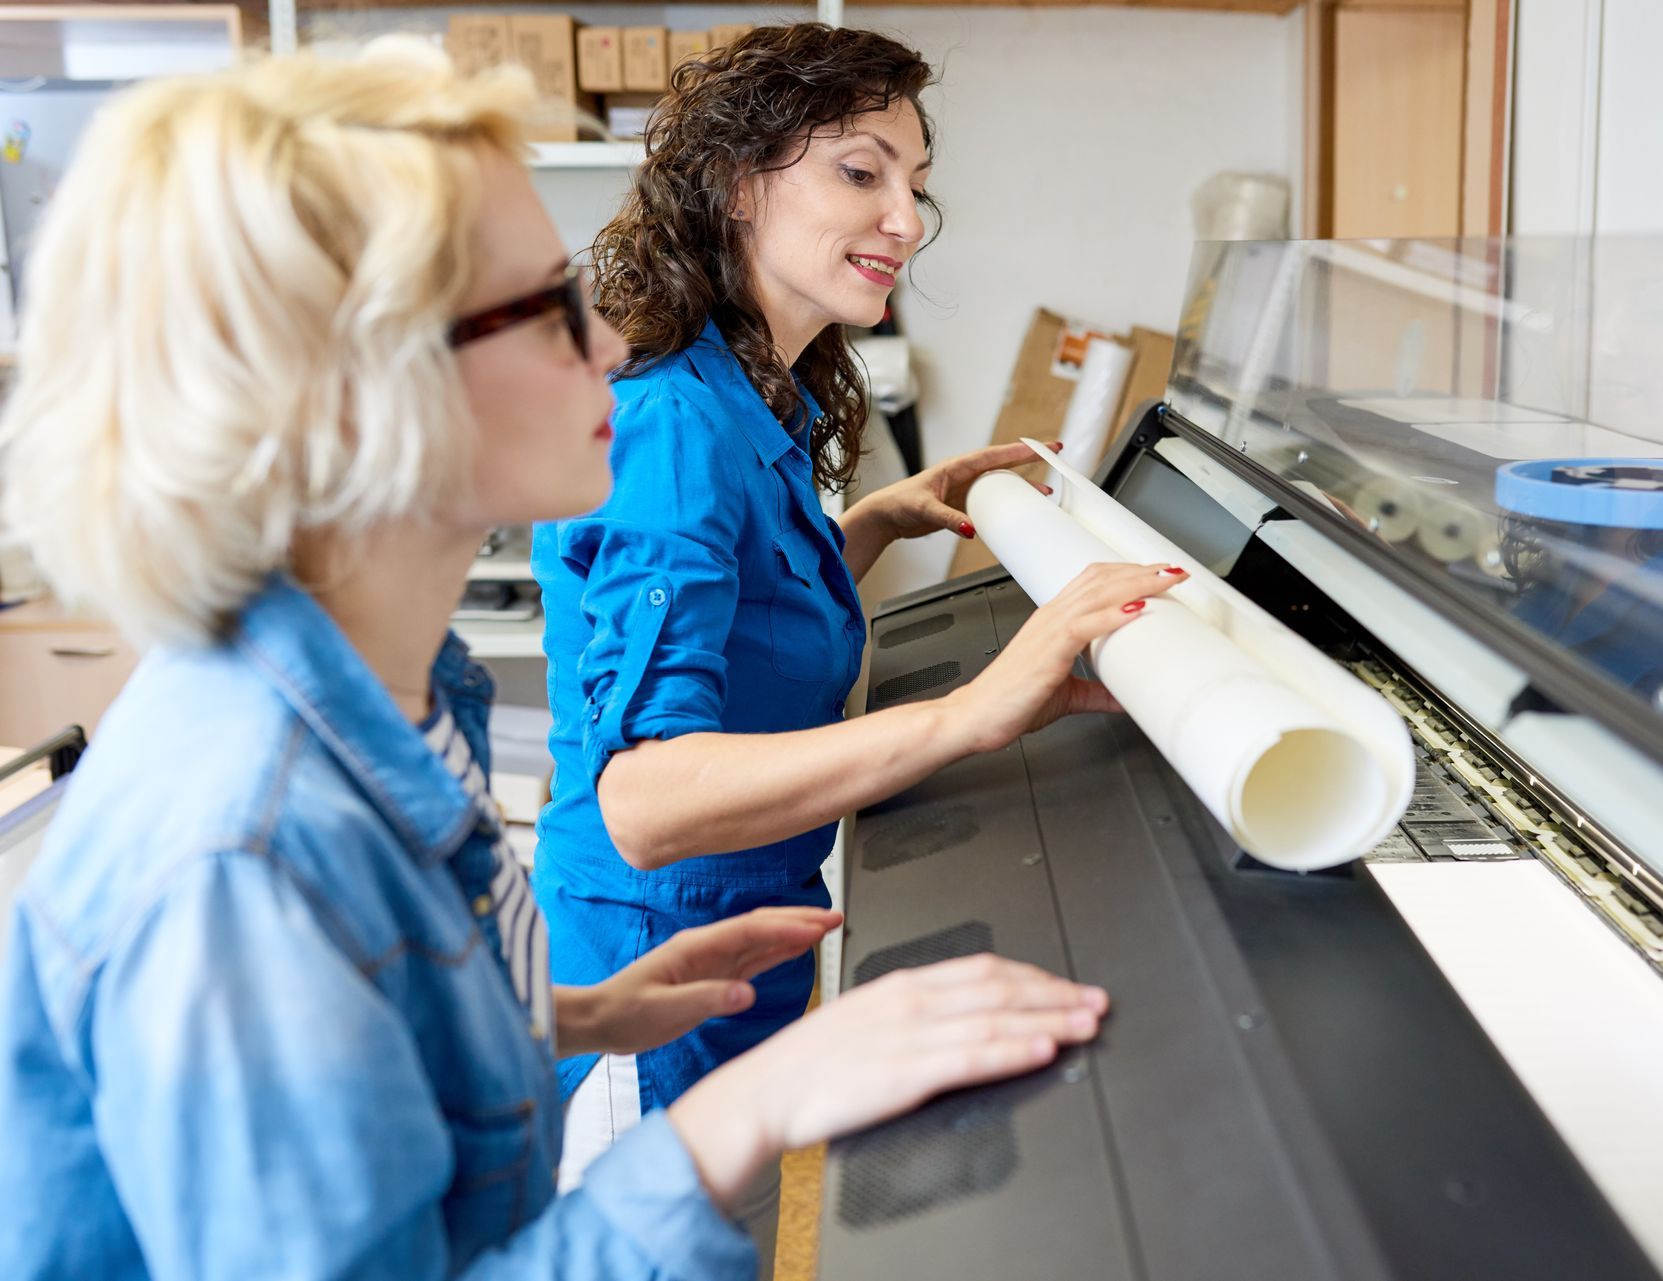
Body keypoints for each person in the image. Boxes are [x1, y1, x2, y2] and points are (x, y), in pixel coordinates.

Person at [0, 42, 1117, 1279]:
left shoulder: (393, 701)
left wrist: (565, 1016)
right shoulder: (241, 857)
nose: (604, 353)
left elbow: (373, 1042)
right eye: (542, 309)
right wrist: (748, 1109)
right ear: (356, 386)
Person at [532, 18, 1183, 1222]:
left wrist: (875, 520)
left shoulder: (744, 397)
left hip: (745, 942)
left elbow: (735, 621)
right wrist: (980, 709)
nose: (903, 220)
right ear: (737, 182)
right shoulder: (675, 428)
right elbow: (646, 797)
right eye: (859, 170)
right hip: (653, 967)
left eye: (916, 186)